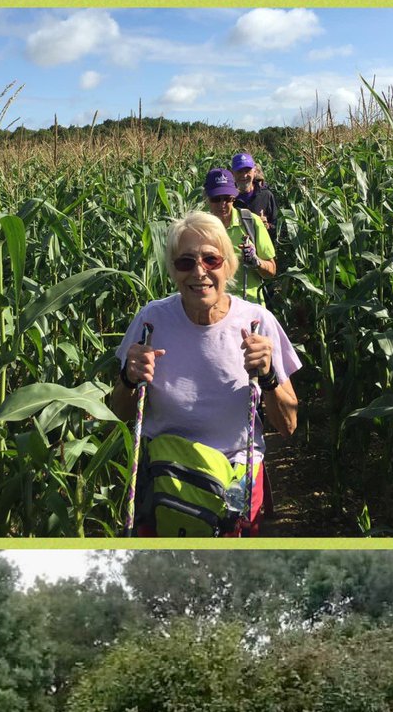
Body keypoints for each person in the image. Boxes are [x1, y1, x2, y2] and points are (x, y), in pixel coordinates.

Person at [112, 211, 299, 536]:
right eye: (185, 262)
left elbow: (288, 426)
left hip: (234, 476)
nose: (199, 272)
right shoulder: (151, 323)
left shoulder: (257, 322)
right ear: (173, 270)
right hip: (164, 478)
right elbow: (119, 413)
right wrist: (129, 378)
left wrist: (268, 377)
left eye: (211, 259)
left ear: (228, 265)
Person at [204, 166, 277, 290]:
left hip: (248, 304)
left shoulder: (251, 222)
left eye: (227, 198)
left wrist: (256, 262)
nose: (222, 204)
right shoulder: (200, 228)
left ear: (234, 197)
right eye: (216, 199)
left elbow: (271, 271)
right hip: (213, 305)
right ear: (206, 198)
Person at [232, 151, 281, 243]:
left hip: (262, 253)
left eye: (247, 171)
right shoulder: (228, 198)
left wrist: (267, 226)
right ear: (233, 173)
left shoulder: (266, 195)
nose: (244, 175)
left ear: (254, 171)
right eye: (239, 171)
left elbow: (278, 227)